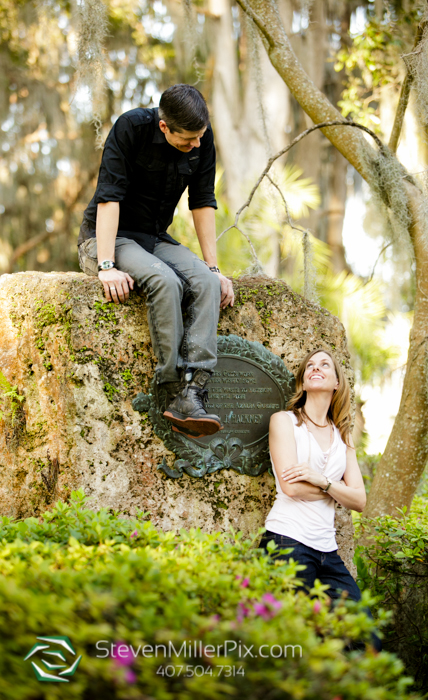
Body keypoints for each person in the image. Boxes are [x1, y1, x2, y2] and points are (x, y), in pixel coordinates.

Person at [77, 84, 234, 438]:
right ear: (165, 127)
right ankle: (169, 386)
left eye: (200, 137)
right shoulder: (130, 128)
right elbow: (109, 197)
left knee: (207, 283)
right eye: (188, 140)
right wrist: (106, 265)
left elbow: (203, 201)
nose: (196, 145)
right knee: (165, 281)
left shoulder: (200, 139)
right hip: (109, 237)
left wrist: (213, 267)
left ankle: (193, 392)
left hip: (154, 239)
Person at [260, 348, 381, 649]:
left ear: (337, 382)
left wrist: (322, 480)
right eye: (309, 366)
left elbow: (361, 501)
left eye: (324, 364)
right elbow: (292, 488)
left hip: (328, 553)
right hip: (287, 543)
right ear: (301, 381)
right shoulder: (284, 422)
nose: (316, 368)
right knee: (291, 642)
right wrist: (336, 491)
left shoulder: (344, 436)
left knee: (366, 640)